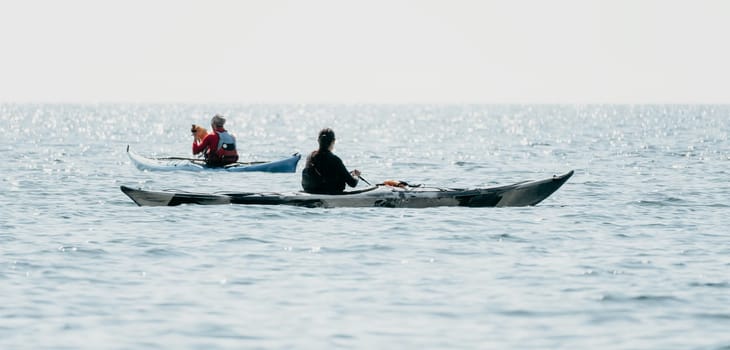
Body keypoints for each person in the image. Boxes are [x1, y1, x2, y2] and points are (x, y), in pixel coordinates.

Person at [302, 128, 361, 194]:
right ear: (333, 141)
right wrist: (356, 175)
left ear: (318, 140)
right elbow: (352, 183)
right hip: (329, 193)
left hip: (310, 191)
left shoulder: (310, 156)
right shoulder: (335, 160)